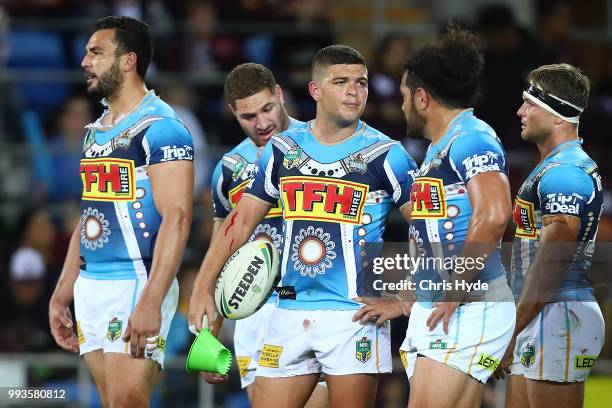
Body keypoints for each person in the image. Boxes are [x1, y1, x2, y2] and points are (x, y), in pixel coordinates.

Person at [189, 45, 417, 408]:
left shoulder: (386, 154)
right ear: (315, 91)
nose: (353, 92)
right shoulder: (282, 149)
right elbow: (241, 219)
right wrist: (203, 286)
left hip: (352, 316)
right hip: (287, 311)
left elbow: (432, 228)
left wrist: (406, 300)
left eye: (361, 82)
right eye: (341, 82)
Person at [353, 26, 516, 408]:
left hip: (467, 304)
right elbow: (434, 243)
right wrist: (406, 300)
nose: (403, 105)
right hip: (444, 307)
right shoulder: (441, 149)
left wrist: (454, 291)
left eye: (406, 96)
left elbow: (494, 215)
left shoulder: (472, 138)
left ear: (423, 98)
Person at [48, 16, 193, 408]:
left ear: (128, 61)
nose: (85, 61)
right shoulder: (96, 131)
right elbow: (89, 217)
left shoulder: (162, 127)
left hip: (136, 281)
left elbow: (178, 219)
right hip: (91, 286)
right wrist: (63, 291)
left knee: (128, 401)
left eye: (96, 52)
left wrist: (151, 299)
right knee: (112, 402)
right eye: (86, 52)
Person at [202, 62, 328, 406]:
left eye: (268, 109)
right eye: (248, 117)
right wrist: (209, 338)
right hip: (252, 310)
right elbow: (221, 251)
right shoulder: (228, 169)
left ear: (280, 95)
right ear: (233, 114)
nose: (262, 123)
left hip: (309, 304)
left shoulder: (323, 146)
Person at [493, 63, 605, 408]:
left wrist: (512, 328)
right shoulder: (554, 167)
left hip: (559, 314)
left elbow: (554, 256)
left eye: (530, 103)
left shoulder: (565, 172)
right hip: (544, 314)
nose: (520, 111)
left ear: (558, 116)